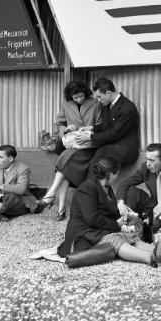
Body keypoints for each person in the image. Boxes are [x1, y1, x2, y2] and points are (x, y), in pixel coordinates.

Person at [57, 156, 161, 267]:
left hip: (98, 230)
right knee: (114, 239)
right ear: (111, 174)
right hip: (84, 234)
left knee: (130, 236)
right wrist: (117, 225)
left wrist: (126, 213)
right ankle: (150, 257)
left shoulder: (107, 188)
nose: (118, 177)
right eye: (118, 174)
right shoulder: (87, 188)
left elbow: (110, 213)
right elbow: (92, 218)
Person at [37, 81, 102, 221]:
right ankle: (60, 208)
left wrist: (89, 129)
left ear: (85, 93)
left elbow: (101, 125)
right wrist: (66, 129)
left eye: (81, 96)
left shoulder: (96, 103)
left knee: (64, 162)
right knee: (65, 169)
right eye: (75, 97)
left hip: (88, 145)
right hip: (72, 143)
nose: (79, 99)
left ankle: (51, 195)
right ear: (70, 97)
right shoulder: (66, 104)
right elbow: (58, 125)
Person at [75, 77, 140, 169]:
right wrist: (91, 128)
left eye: (99, 96)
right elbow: (108, 125)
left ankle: (93, 183)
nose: (98, 100)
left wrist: (89, 137)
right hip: (111, 145)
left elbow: (115, 133)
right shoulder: (108, 104)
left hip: (124, 149)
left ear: (108, 93)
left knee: (96, 164)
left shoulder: (127, 108)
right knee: (82, 157)